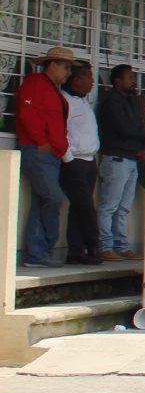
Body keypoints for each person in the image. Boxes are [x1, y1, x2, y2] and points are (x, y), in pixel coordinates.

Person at [16, 46, 74, 267]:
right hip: (37, 150)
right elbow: (26, 112)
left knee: (43, 199)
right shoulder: (34, 84)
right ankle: (40, 250)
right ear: (53, 65)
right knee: (52, 198)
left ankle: (38, 253)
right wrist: (41, 141)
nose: (68, 73)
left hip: (51, 153)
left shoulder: (51, 89)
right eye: (66, 68)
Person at [96, 63, 145, 263]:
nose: (134, 82)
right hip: (116, 158)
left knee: (124, 207)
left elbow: (139, 126)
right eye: (129, 78)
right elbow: (126, 128)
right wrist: (140, 134)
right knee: (109, 206)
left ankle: (121, 246)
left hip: (131, 158)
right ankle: (105, 246)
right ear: (118, 81)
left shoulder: (131, 101)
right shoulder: (111, 102)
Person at [59, 61, 103, 266]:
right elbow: (61, 132)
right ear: (76, 79)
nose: (92, 81)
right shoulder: (64, 100)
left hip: (89, 161)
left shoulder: (84, 102)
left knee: (78, 208)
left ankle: (75, 251)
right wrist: (68, 159)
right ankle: (92, 245)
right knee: (86, 206)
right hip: (73, 160)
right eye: (88, 76)